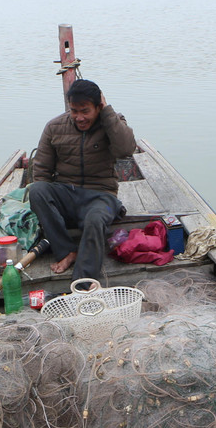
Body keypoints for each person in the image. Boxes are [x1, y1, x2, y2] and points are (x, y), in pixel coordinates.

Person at [27, 78, 137, 281]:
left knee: (94, 220)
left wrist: (108, 113)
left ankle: (83, 284)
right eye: (74, 111)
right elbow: (41, 172)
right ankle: (66, 251)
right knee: (37, 190)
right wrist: (47, 213)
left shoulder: (112, 122)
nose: (79, 117)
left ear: (98, 107)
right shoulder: (54, 127)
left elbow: (126, 149)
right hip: (66, 193)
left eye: (85, 111)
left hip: (101, 196)